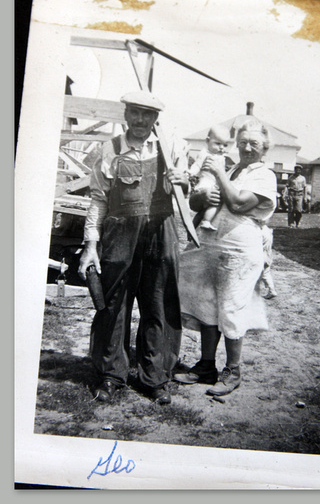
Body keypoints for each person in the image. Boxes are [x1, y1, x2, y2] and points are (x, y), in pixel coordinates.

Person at [77, 90, 189, 405]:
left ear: (156, 118)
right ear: (125, 114)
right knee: (113, 305)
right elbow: (97, 200)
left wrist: (185, 179)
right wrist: (91, 245)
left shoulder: (172, 148)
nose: (141, 120)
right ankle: (112, 374)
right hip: (118, 234)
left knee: (160, 304)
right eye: (135, 112)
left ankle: (155, 377)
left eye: (148, 114)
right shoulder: (108, 150)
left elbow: (190, 190)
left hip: (160, 233)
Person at [174, 117, 278, 396]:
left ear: (265, 147)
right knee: (207, 305)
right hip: (211, 245)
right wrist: (202, 197)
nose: (246, 148)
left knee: (231, 309)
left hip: (240, 250)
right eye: (242, 142)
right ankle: (206, 365)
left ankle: (233, 370)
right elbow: (197, 203)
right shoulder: (231, 170)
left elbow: (238, 203)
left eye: (253, 143)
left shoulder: (263, 175)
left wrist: (218, 174)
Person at [188, 124, 234, 230]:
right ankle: (206, 221)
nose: (221, 147)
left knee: (205, 208)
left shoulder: (221, 156)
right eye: (217, 143)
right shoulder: (205, 154)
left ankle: (194, 227)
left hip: (213, 184)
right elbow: (197, 165)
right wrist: (191, 173)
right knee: (215, 203)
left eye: (225, 145)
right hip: (206, 184)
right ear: (207, 141)